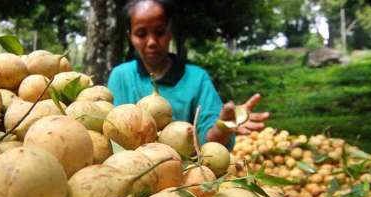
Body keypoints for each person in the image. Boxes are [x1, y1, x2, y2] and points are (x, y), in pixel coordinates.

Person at [108, 0, 270, 149]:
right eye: (141, 34)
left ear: (170, 31)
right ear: (130, 36)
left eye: (159, 32)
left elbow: (209, 147)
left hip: (186, 177)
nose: (151, 42)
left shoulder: (197, 79)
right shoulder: (120, 76)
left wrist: (223, 128)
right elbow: (113, 136)